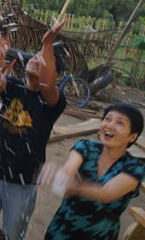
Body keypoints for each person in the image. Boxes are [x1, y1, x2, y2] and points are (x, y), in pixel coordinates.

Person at [0, 20, 67, 240]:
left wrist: (48, 43)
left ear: (51, 72)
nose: (36, 60)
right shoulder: (15, 86)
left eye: (43, 60)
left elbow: (49, 85)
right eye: (35, 56)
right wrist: (1, 53)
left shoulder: (53, 101)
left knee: (12, 235)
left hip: (23, 183)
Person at [42, 103, 145, 240]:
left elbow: (107, 193)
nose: (110, 125)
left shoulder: (135, 167)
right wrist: (59, 176)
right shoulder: (86, 147)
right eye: (107, 119)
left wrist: (76, 186)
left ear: (132, 136)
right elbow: (68, 169)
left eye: (120, 123)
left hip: (98, 234)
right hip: (62, 228)